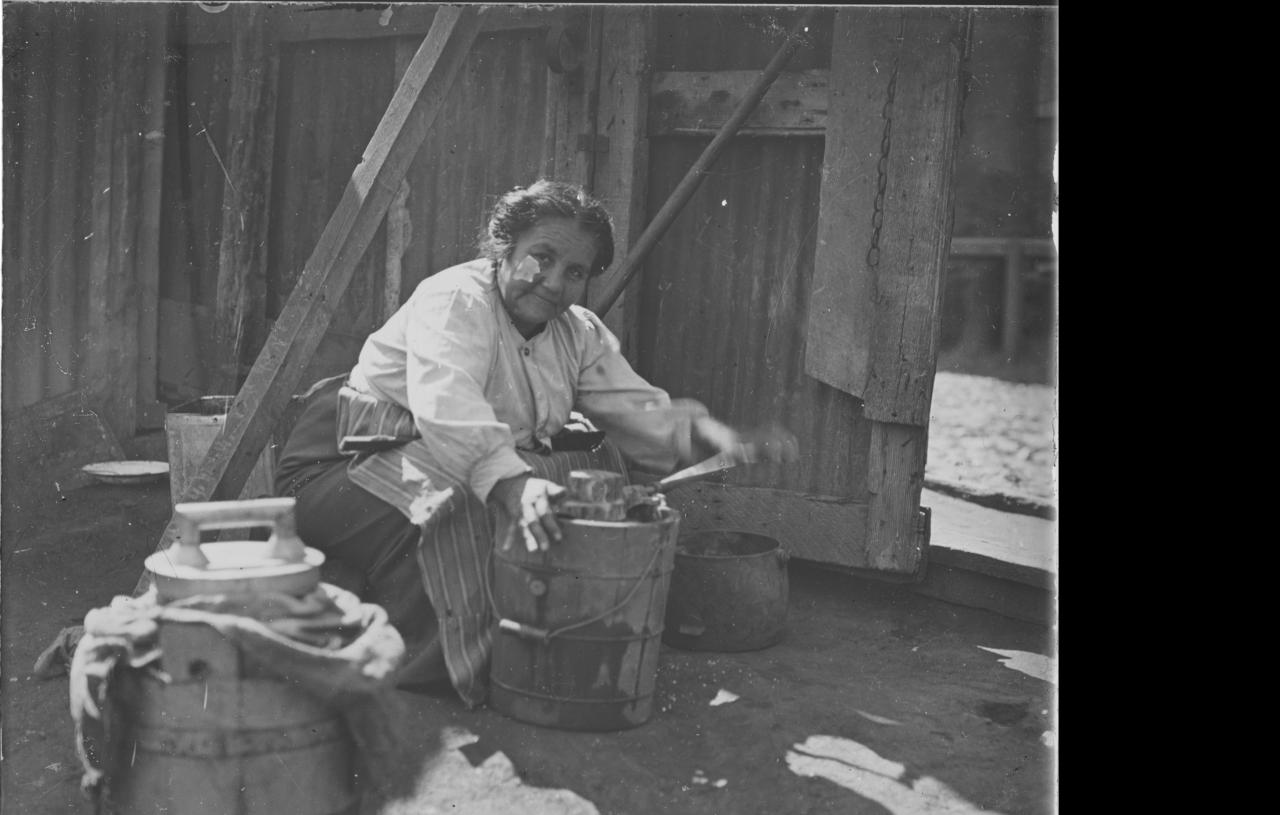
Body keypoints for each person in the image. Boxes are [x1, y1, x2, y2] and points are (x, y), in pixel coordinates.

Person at [274, 179, 797, 706]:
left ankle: (522, 642)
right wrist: (512, 486)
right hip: (342, 466)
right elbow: (448, 407)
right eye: (540, 258)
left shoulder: (576, 332)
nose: (552, 283)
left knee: (586, 472)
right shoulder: (455, 300)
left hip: (432, 459)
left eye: (574, 273)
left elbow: (635, 407)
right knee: (472, 496)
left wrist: (717, 435)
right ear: (503, 250)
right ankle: (430, 663)